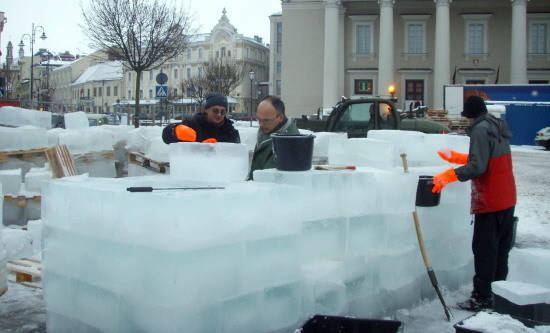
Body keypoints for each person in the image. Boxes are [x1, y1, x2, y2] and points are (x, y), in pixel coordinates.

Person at [432, 95, 516, 311]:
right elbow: (486, 156)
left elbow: (478, 167)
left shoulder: (479, 129)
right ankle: (499, 294)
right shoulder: (496, 126)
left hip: (492, 199)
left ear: (470, 115)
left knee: (485, 250)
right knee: (499, 251)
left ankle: (482, 298)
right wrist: (456, 157)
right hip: (507, 197)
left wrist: (448, 175)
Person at [247, 95, 300, 180]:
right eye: (259, 119)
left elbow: (267, 179)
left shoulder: (288, 142)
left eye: (266, 120)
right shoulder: (268, 130)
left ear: (280, 118)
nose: (261, 124)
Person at [162, 92, 240, 144]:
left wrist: (216, 147)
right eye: (215, 111)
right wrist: (174, 131)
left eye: (222, 112)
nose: (219, 115)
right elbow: (166, 137)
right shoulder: (193, 124)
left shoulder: (230, 132)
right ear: (206, 109)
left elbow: (235, 154)